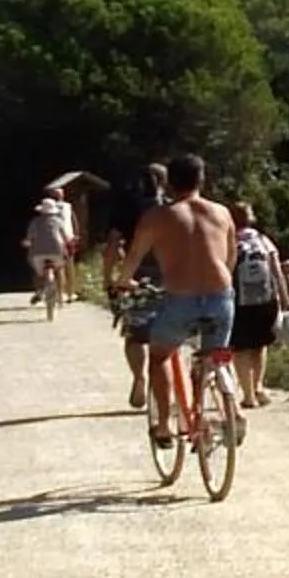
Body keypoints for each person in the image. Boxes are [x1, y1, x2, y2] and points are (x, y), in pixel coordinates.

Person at [123, 154, 238, 451]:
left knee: (160, 355)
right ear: (202, 180)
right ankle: (225, 407)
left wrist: (122, 282)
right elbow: (230, 257)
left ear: (169, 184)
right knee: (215, 355)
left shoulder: (158, 217)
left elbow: (134, 257)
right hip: (220, 296)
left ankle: (164, 425)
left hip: (181, 298)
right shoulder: (222, 212)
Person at [103, 163, 170, 409]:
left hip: (135, 277)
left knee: (135, 336)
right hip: (171, 275)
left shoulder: (126, 209)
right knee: (169, 334)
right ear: (165, 182)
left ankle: (139, 378)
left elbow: (112, 246)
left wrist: (108, 279)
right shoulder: (172, 208)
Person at [225, 201, 285, 409]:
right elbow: (276, 271)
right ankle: (259, 386)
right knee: (260, 345)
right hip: (265, 299)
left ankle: (248, 395)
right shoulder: (263, 240)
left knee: (240, 348)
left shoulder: (229, 240)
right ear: (251, 218)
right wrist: (285, 298)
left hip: (238, 300)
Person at [22, 189, 76, 308]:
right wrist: (68, 243)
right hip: (57, 252)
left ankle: (39, 291)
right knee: (60, 269)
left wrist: (26, 243)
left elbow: (29, 238)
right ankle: (61, 295)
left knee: (36, 271)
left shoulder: (34, 222)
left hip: (38, 254)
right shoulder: (58, 221)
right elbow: (65, 237)